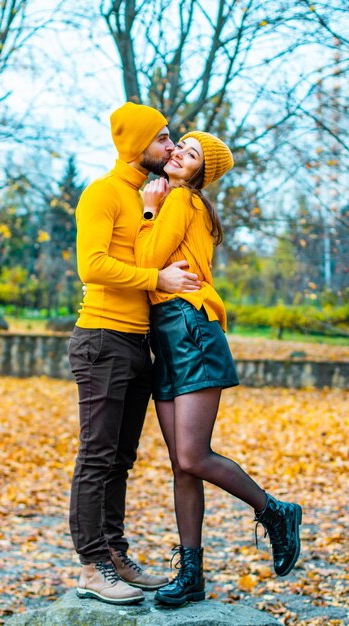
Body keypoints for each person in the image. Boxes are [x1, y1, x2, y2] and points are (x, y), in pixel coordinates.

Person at [135, 131, 302, 607]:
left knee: (192, 456)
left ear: (199, 173)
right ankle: (192, 575)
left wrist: (149, 209)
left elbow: (146, 261)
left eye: (190, 156)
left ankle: (275, 512)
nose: (179, 156)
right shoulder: (178, 200)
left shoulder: (181, 202)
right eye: (179, 147)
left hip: (190, 330)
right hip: (166, 334)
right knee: (180, 465)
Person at [68, 102, 202, 606]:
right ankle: (92, 565)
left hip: (135, 342)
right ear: (137, 143)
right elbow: (92, 265)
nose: (171, 147)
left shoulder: (148, 196)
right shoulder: (102, 193)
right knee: (97, 456)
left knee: (120, 459)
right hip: (101, 338)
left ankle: (116, 555)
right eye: (164, 138)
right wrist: (156, 278)